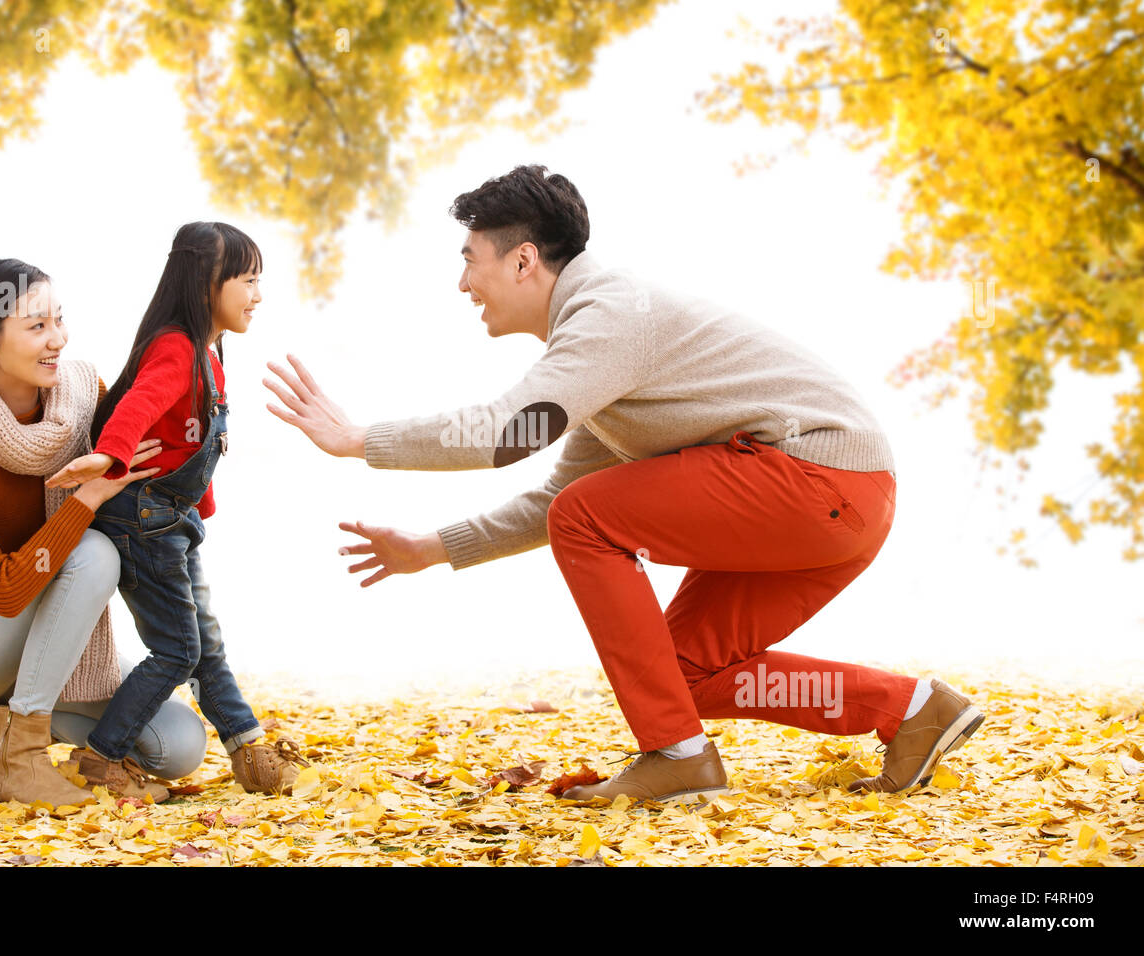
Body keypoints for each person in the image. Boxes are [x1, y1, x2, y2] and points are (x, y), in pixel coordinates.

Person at [262, 164, 984, 804]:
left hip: (819, 478)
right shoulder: (599, 357)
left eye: (468, 260)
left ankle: (677, 754)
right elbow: (555, 505)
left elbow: (510, 432)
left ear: (522, 262)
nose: (460, 283)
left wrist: (359, 441)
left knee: (590, 521)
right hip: (839, 503)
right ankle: (912, 709)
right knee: (683, 670)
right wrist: (431, 548)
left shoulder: (607, 315)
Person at [0, 258, 207, 808]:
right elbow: (4, 589)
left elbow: (151, 482)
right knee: (91, 552)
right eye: (37, 326)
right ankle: (22, 761)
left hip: (38, 637)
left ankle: (6, 724)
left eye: (59, 320)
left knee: (178, 744)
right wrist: (88, 496)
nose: (57, 340)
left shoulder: (81, 397)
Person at [46, 222, 310, 800]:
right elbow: (141, 404)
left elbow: (190, 440)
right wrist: (110, 456)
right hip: (143, 521)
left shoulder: (210, 352)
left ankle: (248, 748)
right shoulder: (176, 345)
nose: (258, 295)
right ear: (206, 282)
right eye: (248, 280)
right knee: (180, 649)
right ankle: (101, 756)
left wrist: (198, 507)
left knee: (203, 641)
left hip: (171, 520)